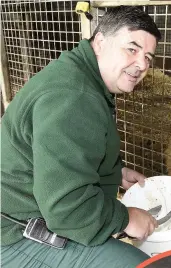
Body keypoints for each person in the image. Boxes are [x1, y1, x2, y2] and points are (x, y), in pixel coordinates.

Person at [1, 6, 161, 268]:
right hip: (14, 233)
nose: (142, 64)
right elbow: (66, 208)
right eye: (132, 49)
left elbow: (65, 152)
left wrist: (113, 172)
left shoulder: (80, 75)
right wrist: (126, 219)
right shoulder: (75, 97)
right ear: (99, 42)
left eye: (149, 57)